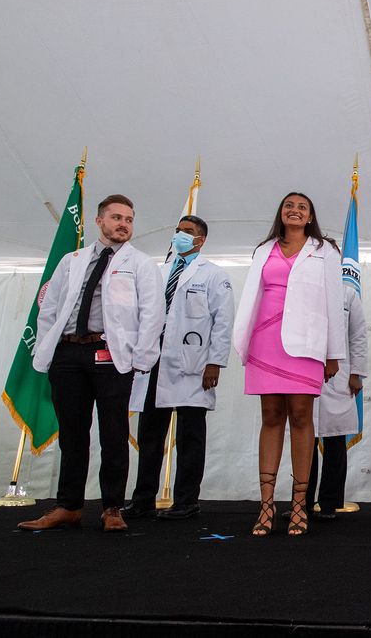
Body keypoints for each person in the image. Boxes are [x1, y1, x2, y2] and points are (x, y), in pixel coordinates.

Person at [18, 195, 164, 532]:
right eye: (116, 217)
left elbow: (153, 314)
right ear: (99, 221)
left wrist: (140, 358)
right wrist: (48, 349)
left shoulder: (141, 264)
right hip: (68, 354)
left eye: (129, 219)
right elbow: (50, 307)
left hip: (111, 355)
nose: (123, 224)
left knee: (114, 432)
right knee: (72, 433)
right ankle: (68, 506)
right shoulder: (71, 260)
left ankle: (112, 507)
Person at [233, 192, 345, 537]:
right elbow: (253, 295)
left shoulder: (324, 250)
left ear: (310, 216)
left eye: (302, 207)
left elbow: (333, 301)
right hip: (265, 341)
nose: (295, 211)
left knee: (300, 416)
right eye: (289, 206)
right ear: (281, 213)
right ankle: (266, 504)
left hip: (306, 343)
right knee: (270, 417)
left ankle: (300, 505)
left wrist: (333, 352)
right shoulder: (263, 250)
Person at [123, 215, 235, 521]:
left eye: (188, 232)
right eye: (178, 231)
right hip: (154, 362)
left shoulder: (213, 275)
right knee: (149, 436)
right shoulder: (158, 273)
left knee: (190, 437)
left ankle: (186, 501)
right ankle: (143, 499)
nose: (180, 235)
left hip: (194, 366)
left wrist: (215, 362)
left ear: (201, 240)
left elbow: (223, 323)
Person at [309, 282, 368, 519]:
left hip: (339, 376)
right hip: (306, 372)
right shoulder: (303, 288)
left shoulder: (348, 294)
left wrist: (356, 374)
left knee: (335, 440)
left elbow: (358, 336)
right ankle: (301, 503)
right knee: (305, 441)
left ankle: (329, 503)